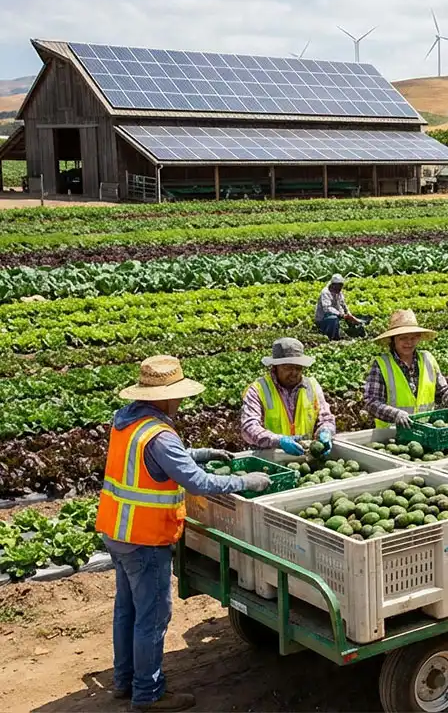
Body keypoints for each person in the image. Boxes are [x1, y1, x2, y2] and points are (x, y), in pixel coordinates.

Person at [97, 355, 271, 712]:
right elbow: (197, 482)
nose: (179, 403)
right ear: (163, 398)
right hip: (144, 539)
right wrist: (245, 482)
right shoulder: (159, 434)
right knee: (152, 617)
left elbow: (164, 459)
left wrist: (203, 452)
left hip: (116, 530)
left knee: (126, 610)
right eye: (177, 396)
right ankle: (147, 694)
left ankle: (124, 681)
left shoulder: (128, 422)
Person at [364, 309, 448, 428]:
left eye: (413, 338)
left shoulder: (428, 359)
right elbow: (372, 402)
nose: (409, 342)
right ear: (393, 340)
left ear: (419, 338)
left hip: (425, 430)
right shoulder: (381, 364)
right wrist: (396, 415)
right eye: (403, 338)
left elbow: (443, 390)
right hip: (392, 433)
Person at [240, 337, 336, 455]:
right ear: (275, 367)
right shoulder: (258, 389)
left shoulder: (312, 386)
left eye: (298, 368)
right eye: (288, 368)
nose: (294, 373)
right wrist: (279, 441)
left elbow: (326, 418)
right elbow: (249, 427)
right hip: (271, 457)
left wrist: (326, 430)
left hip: (305, 456)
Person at [314, 274, 366, 340]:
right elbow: (327, 308)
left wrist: (349, 315)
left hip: (336, 315)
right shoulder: (325, 293)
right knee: (333, 318)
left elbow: (343, 304)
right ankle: (331, 337)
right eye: (338, 287)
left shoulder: (338, 291)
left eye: (341, 286)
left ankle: (353, 334)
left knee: (352, 320)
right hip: (322, 319)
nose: (340, 289)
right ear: (333, 285)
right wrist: (342, 315)